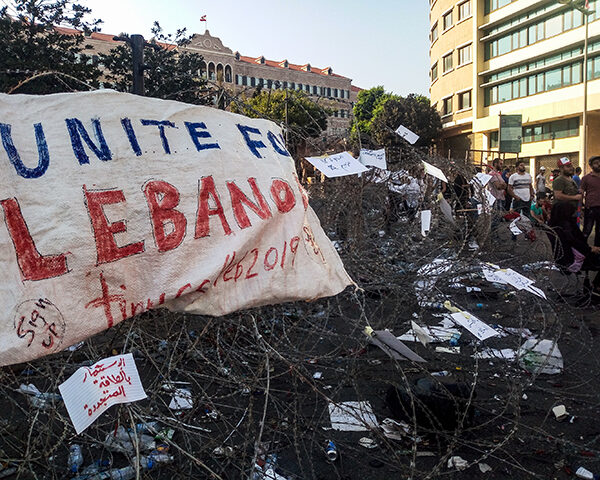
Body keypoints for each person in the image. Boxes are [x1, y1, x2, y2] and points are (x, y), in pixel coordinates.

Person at [548, 201, 600, 298]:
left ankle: (595, 286)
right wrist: (590, 249)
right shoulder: (566, 227)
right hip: (574, 259)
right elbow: (576, 243)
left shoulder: (554, 225)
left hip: (564, 259)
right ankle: (596, 286)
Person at [582, 156, 600, 247]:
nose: (599, 164)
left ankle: (597, 252)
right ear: (591, 165)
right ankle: (582, 251)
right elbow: (581, 192)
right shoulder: (586, 178)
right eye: (596, 163)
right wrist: (580, 207)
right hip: (590, 208)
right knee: (587, 230)